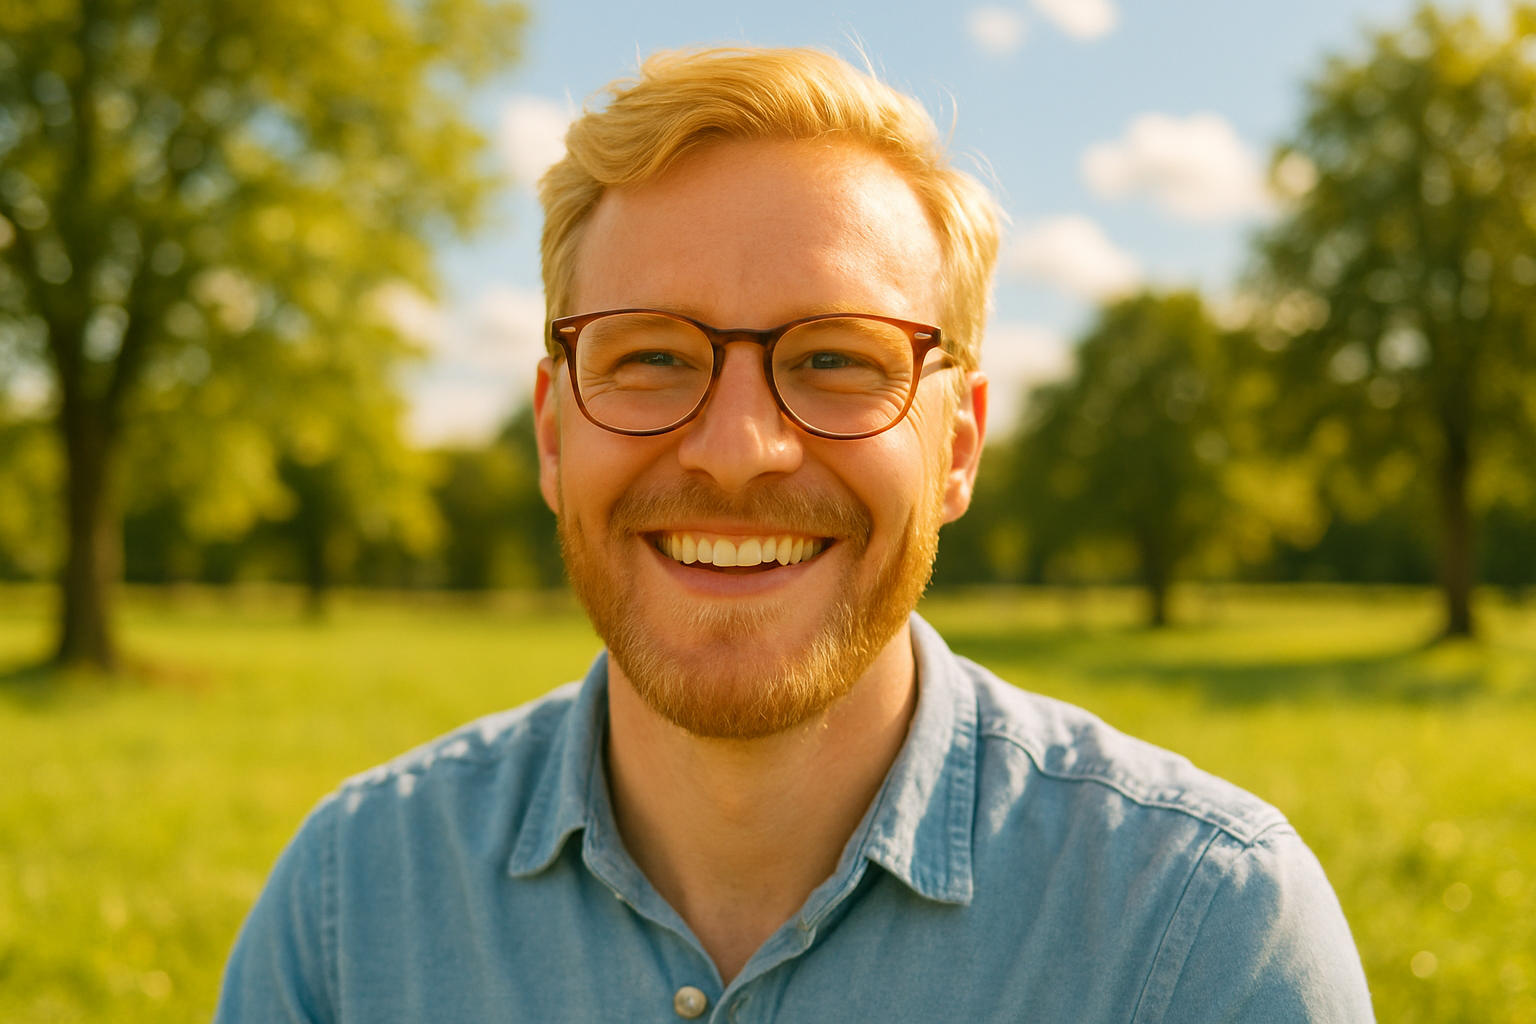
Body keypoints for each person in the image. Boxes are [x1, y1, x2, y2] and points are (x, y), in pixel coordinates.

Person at [216, 47, 1374, 1022]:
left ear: (959, 443)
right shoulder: (347, 909)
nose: (737, 447)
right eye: (652, 355)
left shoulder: (1203, 933)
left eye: (834, 359)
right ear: (554, 432)